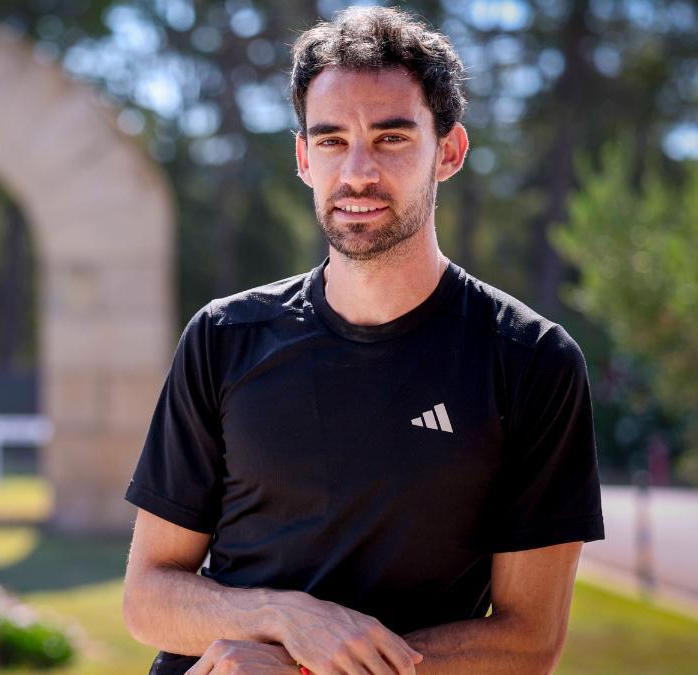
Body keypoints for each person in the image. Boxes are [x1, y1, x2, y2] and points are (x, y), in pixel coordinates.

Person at [121, 6, 605, 675]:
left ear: (450, 151)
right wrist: (283, 617)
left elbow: (528, 640)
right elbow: (148, 595)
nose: (356, 173)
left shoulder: (531, 361)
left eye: (390, 138)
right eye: (330, 140)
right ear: (302, 157)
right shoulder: (223, 337)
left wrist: (307, 670)